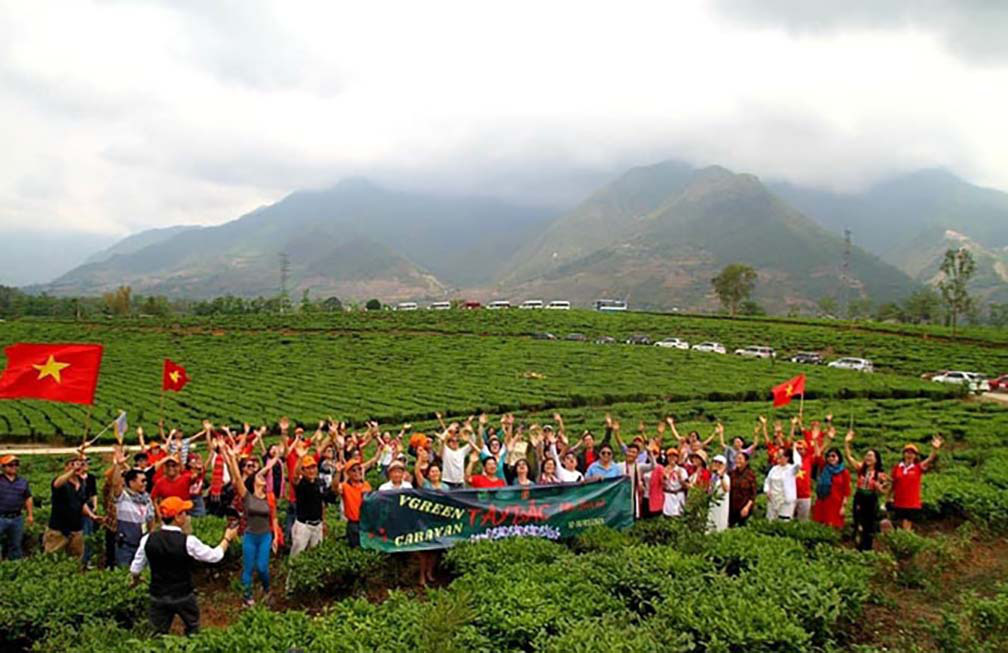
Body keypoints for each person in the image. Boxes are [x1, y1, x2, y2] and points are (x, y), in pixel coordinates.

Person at [130, 496, 239, 635]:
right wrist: (227, 538)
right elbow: (215, 556)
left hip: (158, 594)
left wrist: (136, 580)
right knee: (192, 628)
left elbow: (135, 569)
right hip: (183, 594)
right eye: (184, 513)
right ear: (177, 517)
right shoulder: (188, 541)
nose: (187, 516)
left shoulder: (147, 539)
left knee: (157, 633)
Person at [223, 447, 281, 606]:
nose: (262, 478)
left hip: (265, 536)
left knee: (262, 567)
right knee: (248, 568)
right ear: (253, 481)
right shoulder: (247, 497)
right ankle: (247, 597)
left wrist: (275, 536)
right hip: (250, 536)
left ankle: (267, 589)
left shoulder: (269, 497)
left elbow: (274, 518)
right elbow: (237, 477)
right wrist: (233, 458)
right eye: (259, 477)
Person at [104, 447, 156, 568]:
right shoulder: (123, 496)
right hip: (125, 545)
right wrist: (118, 464)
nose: (145, 483)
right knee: (125, 571)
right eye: (142, 481)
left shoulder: (147, 499)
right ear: (131, 483)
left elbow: (151, 520)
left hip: (142, 544)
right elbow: (115, 484)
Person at [45, 457, 101, 557]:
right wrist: (73, 471)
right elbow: (57, 484)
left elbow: (82, 503)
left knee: (76, 558)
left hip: (76, 529)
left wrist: (92, 515)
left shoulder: (82, 483)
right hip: (58, 530)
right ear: (65, 468)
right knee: (53, 557)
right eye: (72, 465)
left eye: (79, 465)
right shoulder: (61, 482)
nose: (77, 467)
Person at [844, 430, 889, 551]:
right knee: (858, 521)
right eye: (867, 455)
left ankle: (867, 547)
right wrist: (847, 443)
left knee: (869, 525)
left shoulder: (880, 475)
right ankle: (858, 546)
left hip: (871, 500)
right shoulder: (861, 469)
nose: (868, 458)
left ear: (876, 459)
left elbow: (884, 491)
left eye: (871, 456)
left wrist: (879, 488)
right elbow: (848, 457)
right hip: (859, 497)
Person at [887, 436, 943, 531]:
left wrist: (935, 449)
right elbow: (893, 483)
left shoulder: (917, 467)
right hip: (898, 501)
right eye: (907, 452)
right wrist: (888, 497)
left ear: (915, 456)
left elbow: (930, 459)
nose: (909, 455)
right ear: (903, 454)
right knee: (898, 524)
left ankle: (906, 541)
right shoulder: (897, 467)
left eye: (912, 453)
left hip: (911, 502)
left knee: (907, 523)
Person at [289, 454, 326, 557]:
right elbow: (295, 477)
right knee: (297, 555)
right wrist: (300, 458)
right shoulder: (301, 484)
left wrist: (324, 521)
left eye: (313, 467)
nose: (312, 471)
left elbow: (321, 503)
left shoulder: (319, 482)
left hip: (317, 525)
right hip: (303, 525)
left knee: (316, 554)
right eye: (308, 468)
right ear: (303, 470)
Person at [0, 454, 33, 560]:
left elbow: (28, 498)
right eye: (10, 465)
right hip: (1, 517)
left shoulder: (23, 482)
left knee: (16, 544)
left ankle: (14, 566)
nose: (14, 467)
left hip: (16, 517)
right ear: (3, 467)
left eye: (16, 464)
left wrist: (30, 515)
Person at [338, 456, 375, 548]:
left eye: (359, 469)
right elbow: (335, 488)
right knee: (355, 547)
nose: (357, 472)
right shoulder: (345, 487)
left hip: (367, 523)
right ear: (348, 473)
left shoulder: (366, 485)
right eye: (353, 470)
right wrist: (338, 473)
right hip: (353, 524)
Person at [811, 447, 851, 529]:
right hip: (823, 500)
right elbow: (818, 455)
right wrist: (816, 440)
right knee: (820, 524)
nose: (831, 458)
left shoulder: (844, 472)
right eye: (829, 456)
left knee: (833, 525)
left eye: (833, 456)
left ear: (838, 458)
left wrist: (843, 506)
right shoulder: (824, 467)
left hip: (836, 503)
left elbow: (846, 491)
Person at [763, 443, 802, 521]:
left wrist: (794, 450)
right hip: (772, 500)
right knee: (771, 521)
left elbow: (798, 464)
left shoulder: (791, 469)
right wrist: (767, 490)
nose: (779, 458)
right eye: (778, 455)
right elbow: (767, 481)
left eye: (781, 456)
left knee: (783, 521)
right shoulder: (774, 469)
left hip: (785, 501)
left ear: (787, 458)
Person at [647, 449, 689, 518]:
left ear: (677, 458)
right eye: (670, 456)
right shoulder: (663, 470)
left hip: (679, 495)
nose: (672, 458)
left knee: (680, 515)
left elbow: (686, 486)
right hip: (668, 496)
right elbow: (662, 485)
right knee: (668, 516)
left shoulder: (681, 470)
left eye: (674, 456)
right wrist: (664, 478)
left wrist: (680, 478)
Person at [728, 451, 757, 527]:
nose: (737, 461)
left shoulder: (750, 475)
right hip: (732, 507)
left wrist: (747, 507)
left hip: (744, 506)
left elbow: (753, 494)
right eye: (736, 458)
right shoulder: (732, 473)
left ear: (746, 461)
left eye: (740, 459)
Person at [708, 455, 731, 532]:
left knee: (720, 522)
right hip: (712, 503)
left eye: (719, 463)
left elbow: (726, 489)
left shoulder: (725, 477)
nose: (717, 465)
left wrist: (721, 476)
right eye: (715, 462)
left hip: (721, 504)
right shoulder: (712, 476)